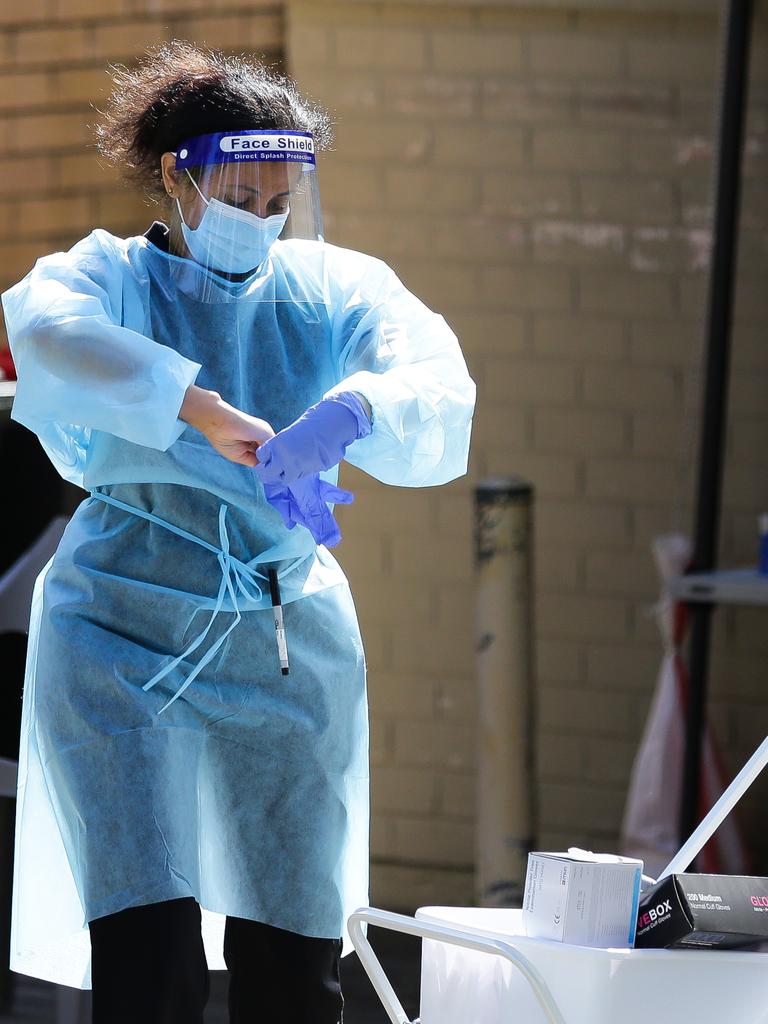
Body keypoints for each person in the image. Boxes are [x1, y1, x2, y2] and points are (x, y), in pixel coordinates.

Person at [1, 40, 475, 1024]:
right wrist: (200, 406)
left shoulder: (331, 290)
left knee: (292, 960)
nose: (260, 221)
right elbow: (43, 332)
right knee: (150, 953)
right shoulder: (113, 279)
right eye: (239, 196)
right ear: (178, 176)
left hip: (279, 638)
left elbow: (434, 379)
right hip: (117, 641)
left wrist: (350, 412)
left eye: (276, 203)